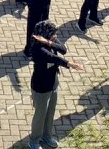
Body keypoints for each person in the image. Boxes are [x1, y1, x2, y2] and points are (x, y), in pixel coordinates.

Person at [29, 20, 84, 149]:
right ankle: (34, 141)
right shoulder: (38, 49)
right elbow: (54, 58)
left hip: (53, 83)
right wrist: (70, 64)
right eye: (53, 34)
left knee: (50, 112)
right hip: (41, 87)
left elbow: (63, 49)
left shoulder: (49, 41)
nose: (56, 36)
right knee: (40, 115)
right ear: (45, 34)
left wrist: (49, 42)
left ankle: (47, 136)